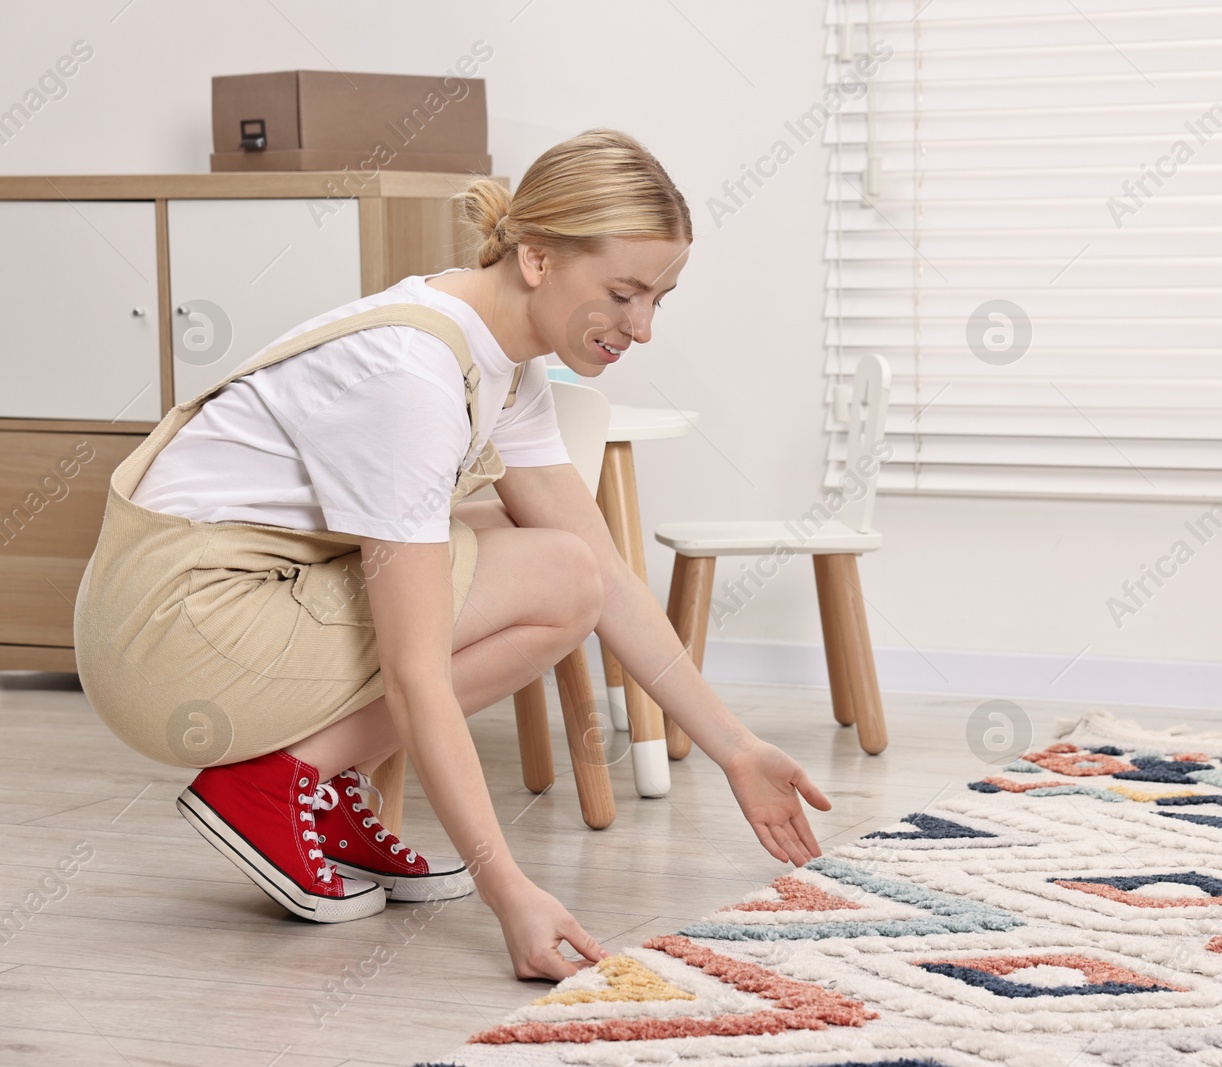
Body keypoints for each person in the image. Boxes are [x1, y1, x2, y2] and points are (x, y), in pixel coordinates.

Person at [73, 128, 832, 981]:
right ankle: (273, 784)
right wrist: (508, 890)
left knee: (553, 559)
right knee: (552, 574)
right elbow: (417, 671)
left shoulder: (506, 364)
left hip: (230, 604)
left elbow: (604, 575)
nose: (643, 328)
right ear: (537, 257)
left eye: (660, 298)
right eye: (623, 294)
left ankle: (298, 779)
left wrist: (736, 747)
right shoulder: (414, 373)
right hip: (174, 633)